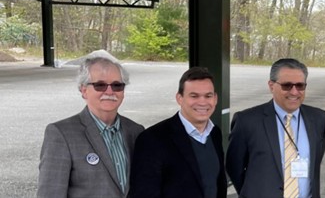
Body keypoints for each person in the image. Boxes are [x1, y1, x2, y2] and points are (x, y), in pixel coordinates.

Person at [37, 50, 144, 198]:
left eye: (117, 85)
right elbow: (50, 193)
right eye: (100, 85)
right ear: (84, 90)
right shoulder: (61, 134)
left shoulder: (136, 131)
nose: (109, 91)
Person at [226, 58, 325, 198]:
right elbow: (234, 167)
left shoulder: (318, 118)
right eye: (287, 85)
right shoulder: (246, 121)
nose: (294, 92)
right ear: (271, 86)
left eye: (300, 86)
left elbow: (315, 163)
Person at [129, 67, 227, 198]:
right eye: (194, 96)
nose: (202, 102)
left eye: (208, 96)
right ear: (179, 98)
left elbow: (218, 185)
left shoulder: (215, 134)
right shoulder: (152, 139)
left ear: (215, 99)